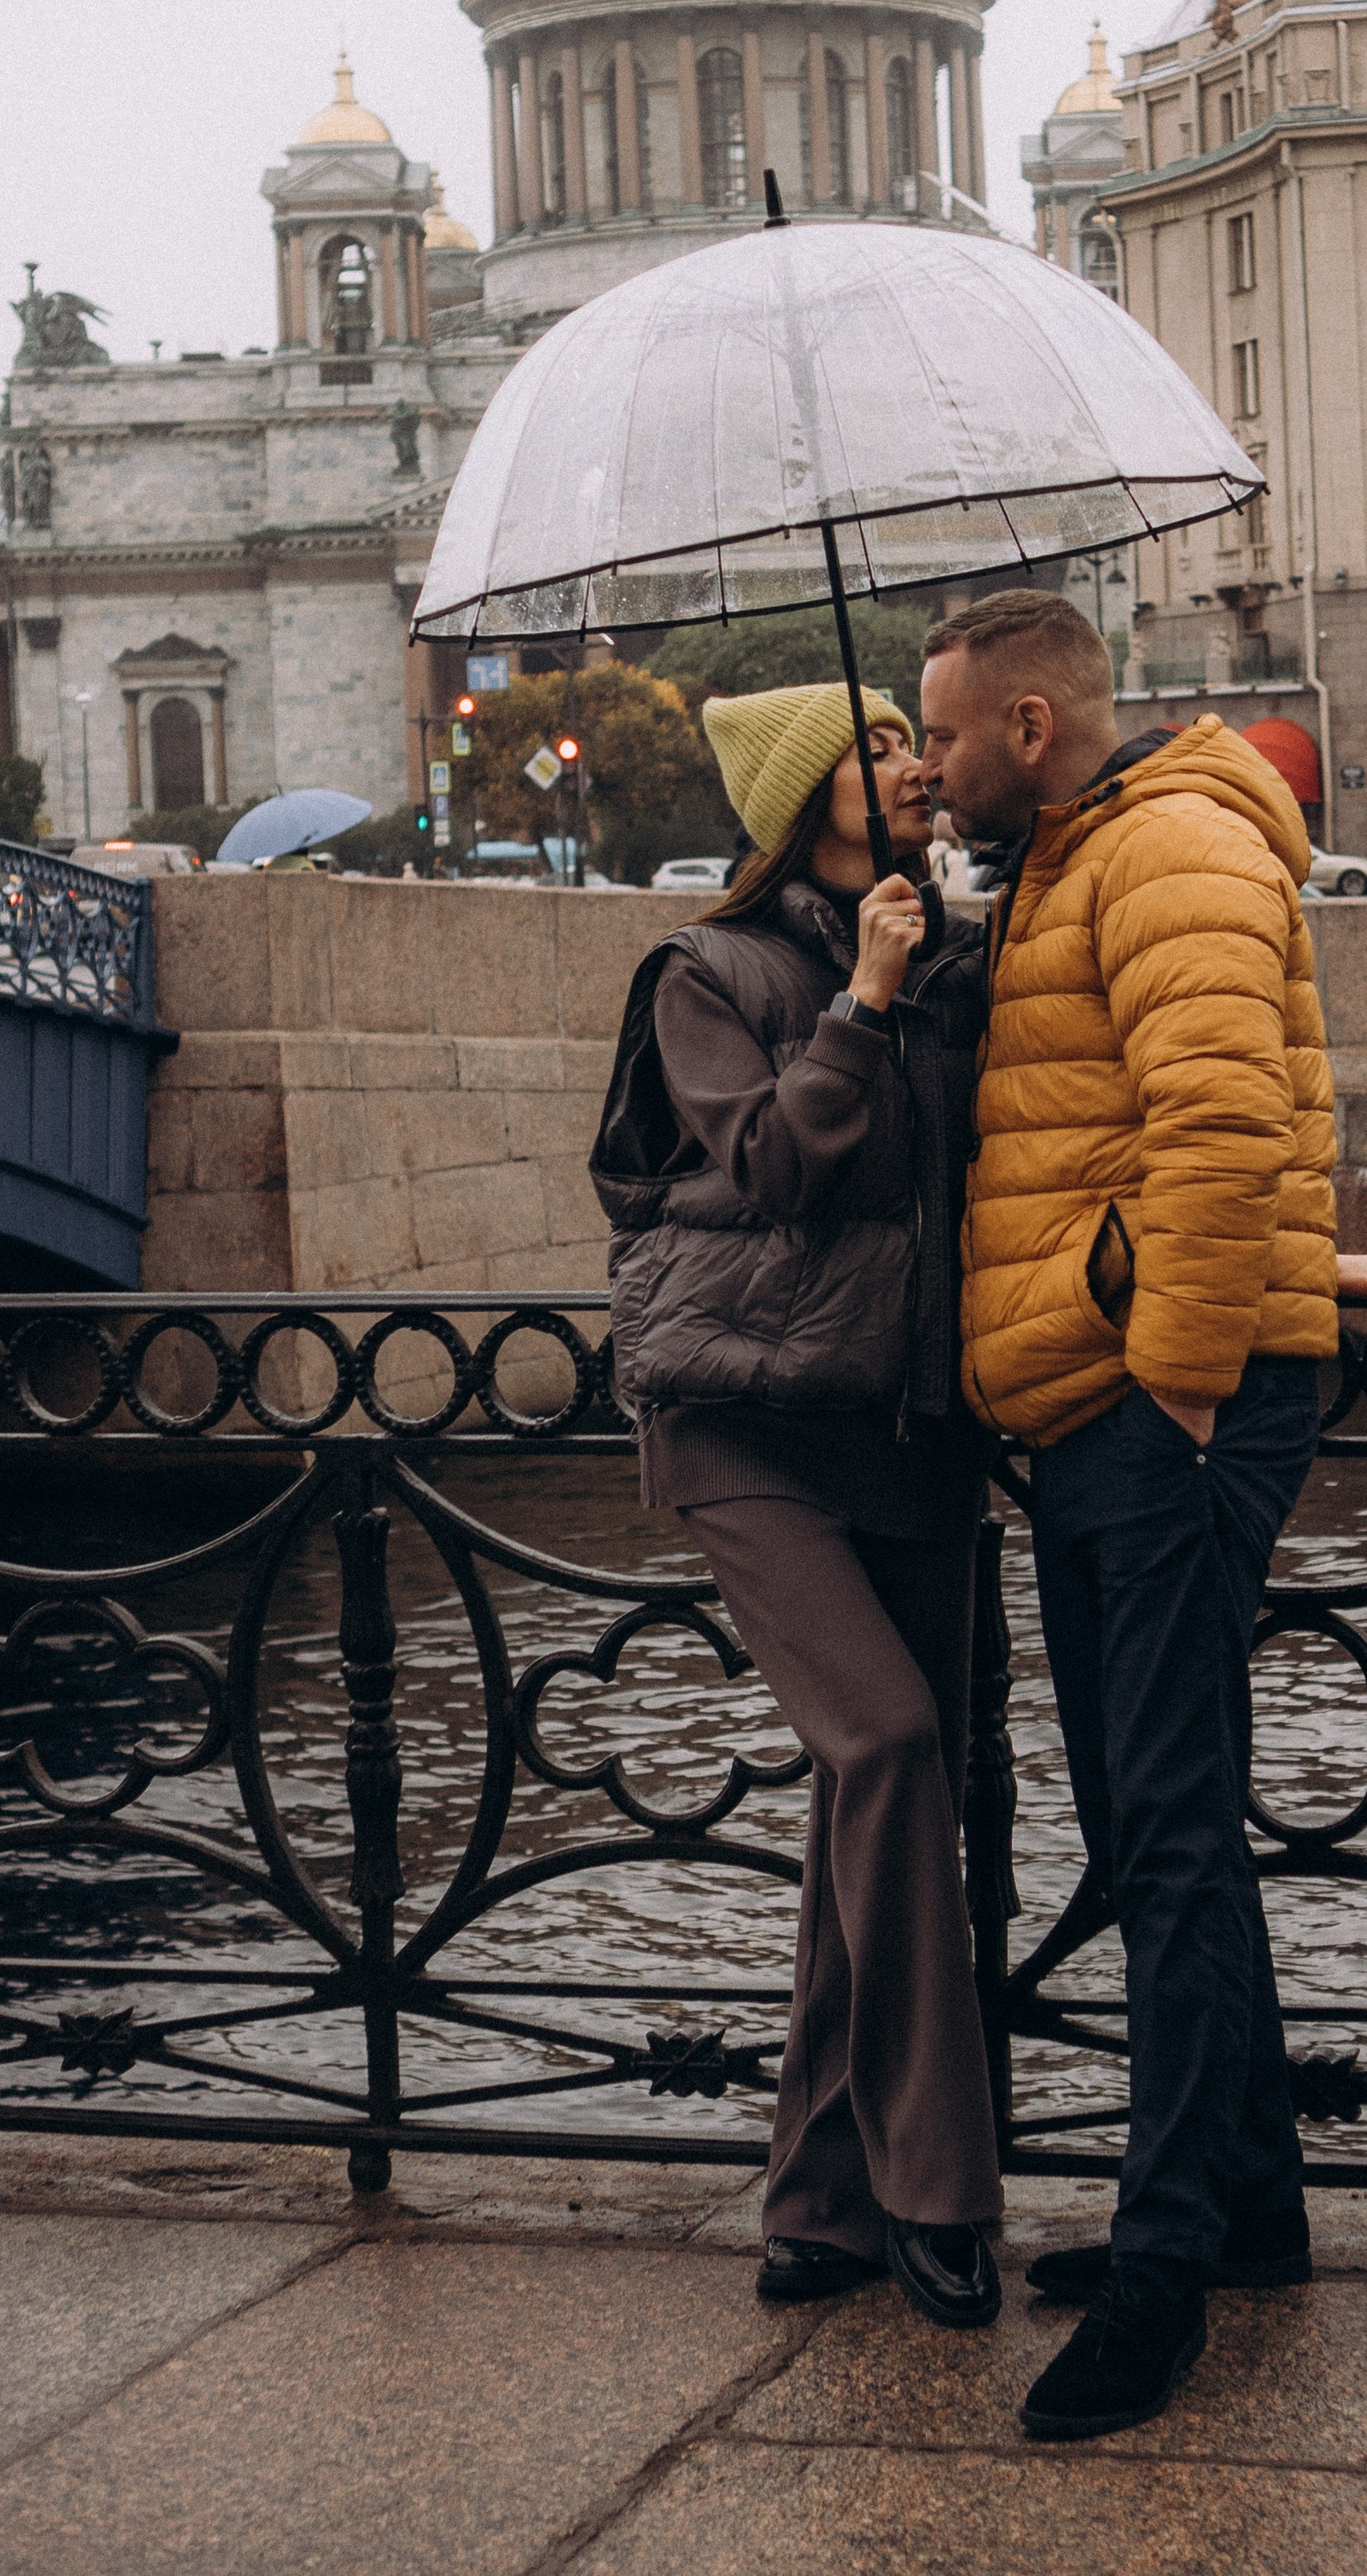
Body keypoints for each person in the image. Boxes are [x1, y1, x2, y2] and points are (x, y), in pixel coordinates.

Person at [917, 590, 1367, 2443]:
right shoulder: (1078, 852)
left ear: (1033, 730)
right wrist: (1269, 1277)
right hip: (1115, 1389)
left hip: (1154, 1406)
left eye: (950, 737)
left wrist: (1188, 1371)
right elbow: (1141, 1119)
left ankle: (1160, 2277)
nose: (931, 766)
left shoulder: (1172, 847)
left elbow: (1217, 1127)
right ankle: (1251, 2208)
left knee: (1169, 1837)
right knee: (1159, 1819)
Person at [589, 681, 1004, 2333]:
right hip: (744, 1424)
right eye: (880, 744)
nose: (911, 762)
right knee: (892, 1746)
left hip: (909, 1427)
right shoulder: (710, 972)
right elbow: (772, 1163)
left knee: (876, 1800)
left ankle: (818, 2195)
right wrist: (867, 1001)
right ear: (799, 795)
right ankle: (938, 2190)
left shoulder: (951, 956)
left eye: (918, 738)